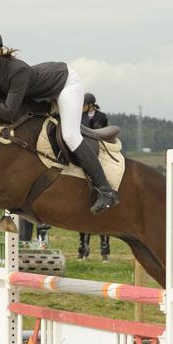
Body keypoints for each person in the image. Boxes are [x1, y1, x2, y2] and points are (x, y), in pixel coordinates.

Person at [0, 26, 119, 213]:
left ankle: (106, 191)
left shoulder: (16, 70)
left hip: (64, 84)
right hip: (38, 95)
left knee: (70, 135)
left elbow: (7, 112)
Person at [78, 92, 111, 259]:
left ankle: (105, 251)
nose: (81, 107)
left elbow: (105, 135)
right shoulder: (80, 117)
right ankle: (82, 249)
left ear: (90, 105)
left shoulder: (102, 117)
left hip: (99, 149)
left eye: (83, 105)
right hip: (85, 150)